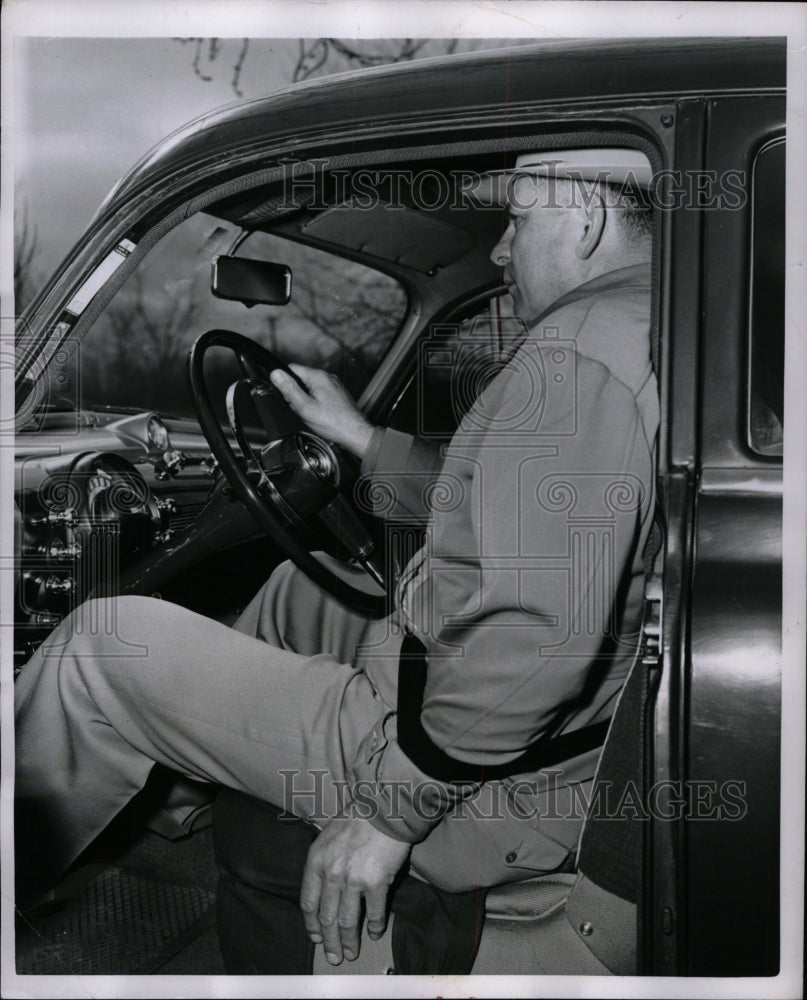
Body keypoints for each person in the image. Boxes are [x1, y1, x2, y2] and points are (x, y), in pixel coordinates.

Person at [15, 149, 658, 969]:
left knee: (98, 645)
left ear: (586, 217)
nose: (499, 251)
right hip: (541, 738)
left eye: (517, 221)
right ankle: (177, 799)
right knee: (296, 585)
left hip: (479, 775)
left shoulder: (575, 354)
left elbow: (532, 638)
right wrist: (358, 439)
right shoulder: (648, 327)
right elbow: (510, 512)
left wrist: (388, 814)